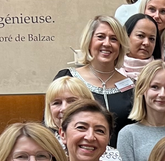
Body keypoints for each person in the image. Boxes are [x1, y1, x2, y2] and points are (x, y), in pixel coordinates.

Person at [54, 15, 134, 147]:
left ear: (120, 46)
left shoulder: (132, 87)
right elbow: (50, 122)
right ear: (89, 41)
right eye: (100, 37)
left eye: (114, 39)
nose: (107, 43)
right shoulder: (68, 77)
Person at [45, 76, 124, 161]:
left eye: (72, 101)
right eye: (56, 103)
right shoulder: (42, 150)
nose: (64, 108)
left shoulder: (114, 157)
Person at [120, 13, 160, 80]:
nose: (146, 43)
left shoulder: (160, 74)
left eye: (151, 39)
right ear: (127, 36)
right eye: (140, 36)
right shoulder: (111, 70)